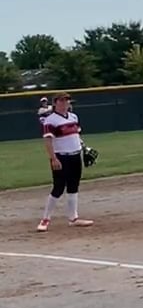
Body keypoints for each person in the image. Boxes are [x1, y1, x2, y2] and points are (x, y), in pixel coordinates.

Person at [38, 93, 94, 233]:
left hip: (75, 155)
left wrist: (84, 148)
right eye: (61, 101)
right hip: (61, 157)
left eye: (67, 101)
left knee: (73, 186)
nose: (65, 103)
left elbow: (76, 135)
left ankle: (73, 218)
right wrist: (53, 158)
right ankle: (45, 219)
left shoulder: (73, 117)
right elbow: (48, 141)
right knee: (58, 187)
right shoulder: (50, 120)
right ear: (55, 103)